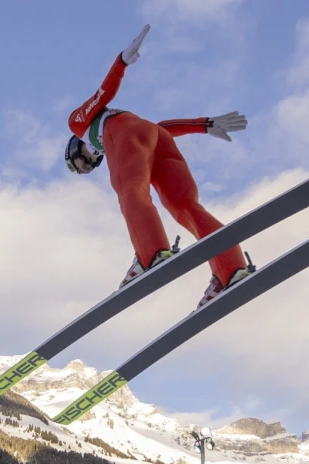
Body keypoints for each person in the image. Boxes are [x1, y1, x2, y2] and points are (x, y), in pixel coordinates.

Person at [65, 24, 253, 307]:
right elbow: (157, 129)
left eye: (78, 164)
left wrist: (120, 64)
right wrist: (204, 125)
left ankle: (150, 252)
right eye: (84, 170)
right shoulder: (113, 135)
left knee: (130, 189)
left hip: (131, 135)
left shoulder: (79, 124)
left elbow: (101, 95)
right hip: (156, 137)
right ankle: (231, 269)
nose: (86, 167)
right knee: (185, 206)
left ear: (74, 148)